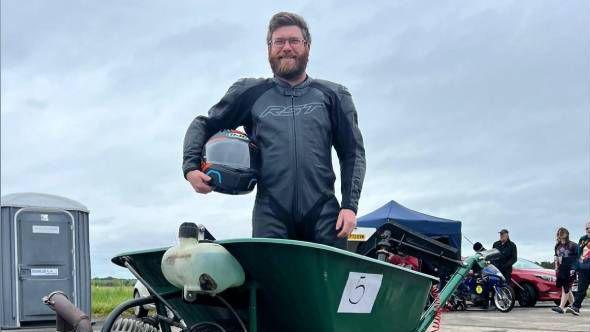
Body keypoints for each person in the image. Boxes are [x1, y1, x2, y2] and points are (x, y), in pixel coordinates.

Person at [182, 12, 366, 249]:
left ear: (307, 46)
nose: (286, 47)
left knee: (329, 285)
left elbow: (353, 153)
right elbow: (204, 124)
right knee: (271, 286)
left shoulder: (334, 95)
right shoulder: (249, 92)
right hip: (271, 214)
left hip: (324, 214)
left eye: (294, 41)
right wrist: (190, 168)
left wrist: (350, 206)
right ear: (269, 48)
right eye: (279, 42)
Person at [551, 227, 578, 314]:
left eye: (562, 233)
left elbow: (578, 258)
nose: (560, 234)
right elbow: (556, 256)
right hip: (560, 268)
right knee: (566, 287)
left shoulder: (573, 245)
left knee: (566, 287)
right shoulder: (557, 245)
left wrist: (574, 268)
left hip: (570, 268)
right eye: (559, 233)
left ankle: (561, 307)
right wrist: (556, 266)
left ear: (566, 234)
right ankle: (574, 306)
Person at [566, 221, 590, 316]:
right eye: (587, 228)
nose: (588, 230)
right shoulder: (583, 239)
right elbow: (578, 254)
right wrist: (575, 267)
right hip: (583, 269)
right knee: (581, 290)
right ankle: (575, 307)